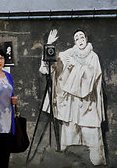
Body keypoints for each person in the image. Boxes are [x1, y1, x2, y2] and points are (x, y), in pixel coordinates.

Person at [39, 29, 106, 166]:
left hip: (88, 104)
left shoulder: (93, 57)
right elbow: (48, 67)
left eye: (82, 37)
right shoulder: (68, 54)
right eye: (77, 38)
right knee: (70, 137)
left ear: (86, 39)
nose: (80, 40)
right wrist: (49, 44)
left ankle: (96, 164)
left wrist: (76, 66)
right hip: (71, 105)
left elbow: (91, 78)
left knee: (92, 137)